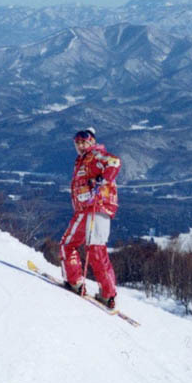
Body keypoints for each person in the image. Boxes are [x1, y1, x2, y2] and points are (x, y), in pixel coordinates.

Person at [59, 127, 121, 308]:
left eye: (84, 142)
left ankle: (74, 281)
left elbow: (115, 162)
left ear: (92, 142)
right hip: (97, 208)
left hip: (92, 207)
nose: (80, 146)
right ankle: (107, 294)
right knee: (96, 250)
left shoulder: (94, 155)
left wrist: (102, 179)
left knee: (68, 244)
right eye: (77, 143)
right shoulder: (84, 159)